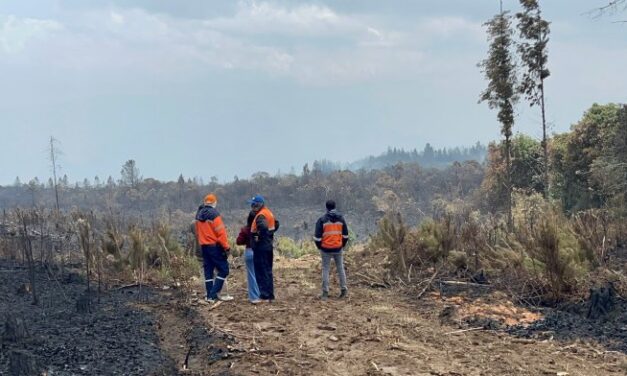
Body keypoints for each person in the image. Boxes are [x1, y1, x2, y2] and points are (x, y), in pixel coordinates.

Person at [195, 193, 231, 302]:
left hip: (204, 247)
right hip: (214, 247)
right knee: (224, 270)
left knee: (208, 271)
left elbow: (197, 232)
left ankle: (209, 296)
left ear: (205, 202)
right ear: (214, 203)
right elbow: (221, 233)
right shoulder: (215, 215)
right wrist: (226, 247)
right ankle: (212, 295)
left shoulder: (198, 214)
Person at [314, 200, 349, 300]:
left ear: (326, 207)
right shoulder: (341, 219)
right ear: (335, 206)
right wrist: (342, 245)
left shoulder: (322, 220)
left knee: (325, 269)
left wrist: (320, 247)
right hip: (338, 248)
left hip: (326, 249)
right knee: (340, 268)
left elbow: (317, 238)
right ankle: (344, 290)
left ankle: (325, 293)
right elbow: (345, 235)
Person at [248, 195, 279, 302]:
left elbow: (264, 227)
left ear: (258, 205)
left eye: (253, 204)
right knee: (267, 270)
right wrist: (270, 235)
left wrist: (259, 239)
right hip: (267, 246)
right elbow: (276, 224)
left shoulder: (261, 216)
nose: (252, 207)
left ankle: (265, 295)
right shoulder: (268, 212)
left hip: (261, 248)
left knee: (261, 271)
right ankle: (270, 294)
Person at [236, 211, 261, 304]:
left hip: (249, 252)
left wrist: (247, 241)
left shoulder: (245, 230)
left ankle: (254, 298)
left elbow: (238, 241)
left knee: (251, 275)